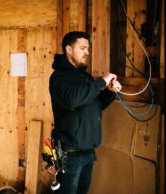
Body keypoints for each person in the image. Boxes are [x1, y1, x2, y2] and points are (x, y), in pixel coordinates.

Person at [49, 31, 122, 194]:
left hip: (88, 152)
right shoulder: (59, 77)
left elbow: (95, 105)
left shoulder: (85, 77)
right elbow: (72, 100)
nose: (87, 52)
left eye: (88, 49)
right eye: (83, 48)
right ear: (69, 49)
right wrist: (102, 81)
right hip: (69, 155)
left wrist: (110, 92)